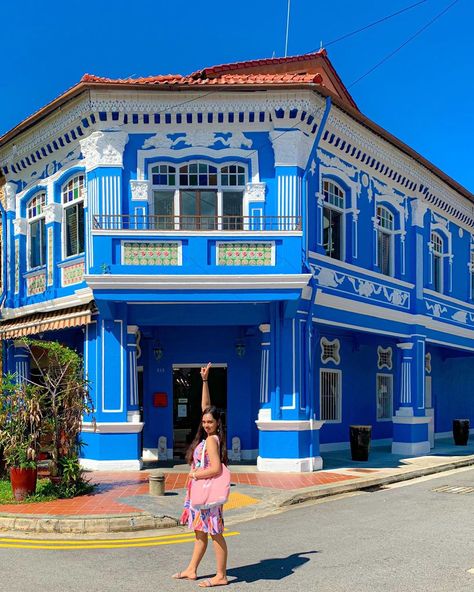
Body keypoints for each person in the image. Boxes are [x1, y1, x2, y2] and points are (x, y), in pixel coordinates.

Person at [172, 362, 229, 587]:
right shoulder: (207, 436)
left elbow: (215, 468)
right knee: (200, 532)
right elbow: (206, 407)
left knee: (214, 532)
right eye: (204, 422)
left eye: (210, 422)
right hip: (200, 493)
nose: (206, 424)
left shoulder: (213, 441)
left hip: (207, 493)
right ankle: (192, 569)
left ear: (217, 423)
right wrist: (204, 381)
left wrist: (196, 475)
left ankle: (221, 576)